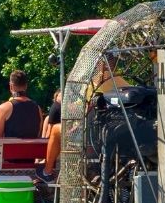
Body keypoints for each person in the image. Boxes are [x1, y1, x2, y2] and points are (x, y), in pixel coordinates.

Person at [36, 55, 129, 183]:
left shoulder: (94, 84)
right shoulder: (125, 84)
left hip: (90, 136)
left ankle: (47, 171)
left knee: (56, 130)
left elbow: (80, 110)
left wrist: (63, 104)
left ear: (99, 66)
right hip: (115, 137)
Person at [0, 70, 42, 139]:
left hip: (10, 149)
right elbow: (38, 135)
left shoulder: (4, 108)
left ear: (11, 86)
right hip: (32, 149)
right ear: (26, 86)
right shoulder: (37, 108)